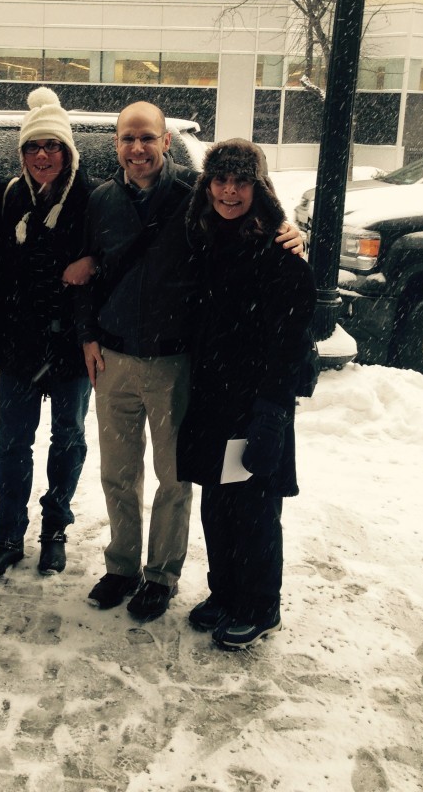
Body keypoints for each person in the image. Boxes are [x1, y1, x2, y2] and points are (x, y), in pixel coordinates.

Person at [76, 102, 304, 622]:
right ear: (116, 143)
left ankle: (161, 575)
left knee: (174, 479)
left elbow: (251, 225)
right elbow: (89, 271)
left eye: (147, 138)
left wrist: (289, 232)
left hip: (174, 362)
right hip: (113, 358)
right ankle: (122, 566)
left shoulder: (191, 195)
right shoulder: (102, 200)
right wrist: (87, 334)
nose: (137, 148)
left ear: (165, 141)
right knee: (118, 473)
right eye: (128, 138)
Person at [176, 139, 316, 650]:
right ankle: (225, 592)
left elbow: (291, 341)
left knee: (253, 506)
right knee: (218, 503)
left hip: (256, 403)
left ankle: (260, 605)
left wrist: (271, 411)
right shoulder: (203, 236)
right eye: (220, 180)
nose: (229, 191)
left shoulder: (280, 253)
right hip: (212, 398)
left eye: (241, 181)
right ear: (207, 184)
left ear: (260, 188)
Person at [0, 87, 95, 580]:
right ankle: (8, 534)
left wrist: (93, 262)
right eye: (33, 147)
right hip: (20, 345)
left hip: (71, 344)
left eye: (52, 146)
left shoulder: (92, 197)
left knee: (68, 438)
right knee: (12, 443)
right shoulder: (8, 197)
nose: (42, 156)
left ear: (68, 152)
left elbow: (120, 252)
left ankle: (54, 529)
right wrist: (0, 335)